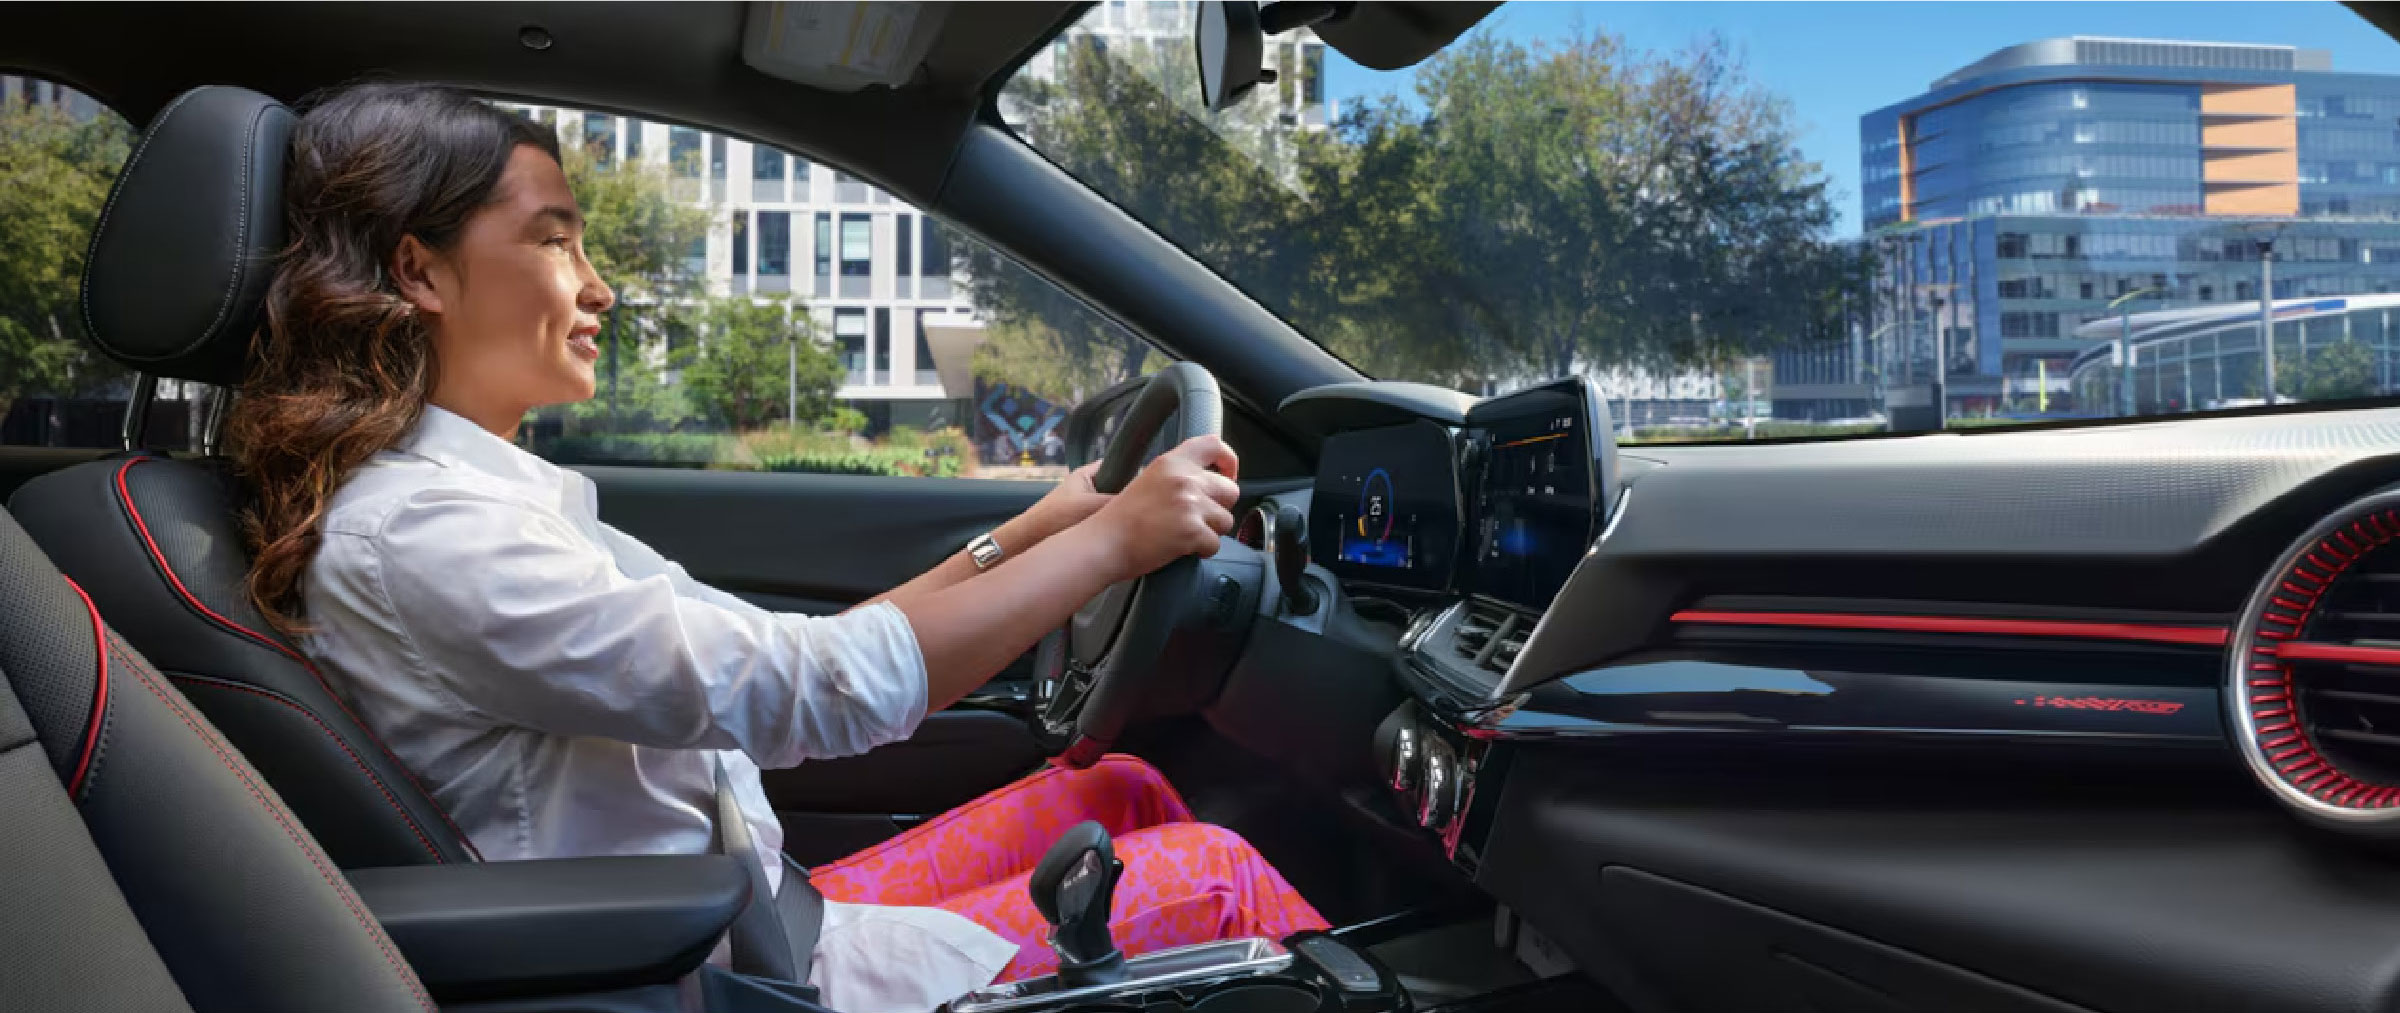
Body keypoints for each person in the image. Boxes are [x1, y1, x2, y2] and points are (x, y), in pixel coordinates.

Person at [227, 81, 1326, 1012]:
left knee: (1119, 788)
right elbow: (817, 686)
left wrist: (1037, 530)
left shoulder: (475, 502)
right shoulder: (430, 532)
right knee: (1218, 876)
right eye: (555, 238)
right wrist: (1110, 549)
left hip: (760, 912)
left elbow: (792, 643)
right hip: (714, 973)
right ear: (420, 273)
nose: (597, 281)